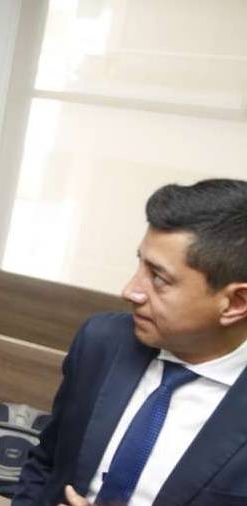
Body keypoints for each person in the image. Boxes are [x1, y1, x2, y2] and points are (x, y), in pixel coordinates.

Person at [13, 179, 247, 506]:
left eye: (159, 278)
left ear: (235, 303)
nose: (130, 291)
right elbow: (46, 464)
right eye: (140, 265)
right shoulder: (102, 342)